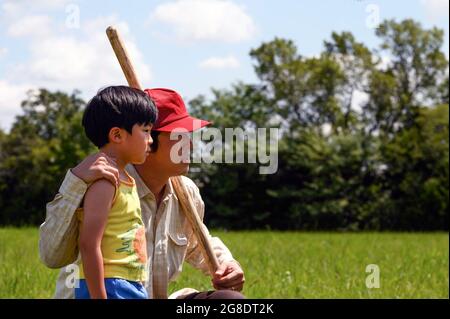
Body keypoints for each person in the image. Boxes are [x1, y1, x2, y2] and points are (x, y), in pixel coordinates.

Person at [39, 88, 246, 299]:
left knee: (230, 301)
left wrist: (228, 264)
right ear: (149, 140)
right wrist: (75, 182)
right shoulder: (103, 181)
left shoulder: (186, 192)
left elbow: (198, 242)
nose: (190, 144)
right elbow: (51, 256)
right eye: (179, 136)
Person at [73, 85, 157, 299]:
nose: (151, 140)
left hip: (127, 283)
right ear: (117, 135)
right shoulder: (105, 182)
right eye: (146, 131)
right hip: (110, 285)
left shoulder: (125, 179)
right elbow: (88, 244)